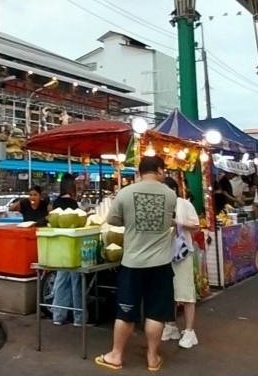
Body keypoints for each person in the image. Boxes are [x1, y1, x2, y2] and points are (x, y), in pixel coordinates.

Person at [95, 156, 177, 371]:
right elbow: (169, 220)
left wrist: (130, 221)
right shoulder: (170, 194)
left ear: (140, 172)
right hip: (161, 263)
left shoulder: (125, 193)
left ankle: (116, 355)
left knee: (126, 311)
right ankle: (152, 357)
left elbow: (112, 220)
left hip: (132, 262)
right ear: (158, 170)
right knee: (156, 312)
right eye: (164, 171)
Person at [161, 176, 201, 349]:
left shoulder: (184, 204)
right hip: (163, 254)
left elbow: (196, 225)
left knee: (186, 292)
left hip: (182, 253)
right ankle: (170, 326)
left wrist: (178, 222)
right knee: (167, 291)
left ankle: (190, 331)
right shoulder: (158, 205)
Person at [51, 174, 83, 327]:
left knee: (61, 280)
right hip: (73, 246)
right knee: (76, 281)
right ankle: (79, 318)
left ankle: (58, 315)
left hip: (58, 247)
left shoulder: (55, 202)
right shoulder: (73, 204)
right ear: (72, 186)